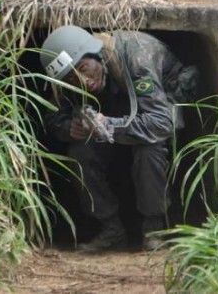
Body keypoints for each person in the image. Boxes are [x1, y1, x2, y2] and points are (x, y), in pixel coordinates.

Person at [39, 25, 198, 252]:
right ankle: (111, 229)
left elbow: (162, 124)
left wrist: (110, 126)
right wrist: (68, 128)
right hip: (112, 115)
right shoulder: (69, 77)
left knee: (148, 149)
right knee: (80, 153)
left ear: (96, 54)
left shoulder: (137, 57)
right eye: (72, 79)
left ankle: (154, 230)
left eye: (84, 69)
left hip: (156, 108)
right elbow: (51, 114)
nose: (83, 81)